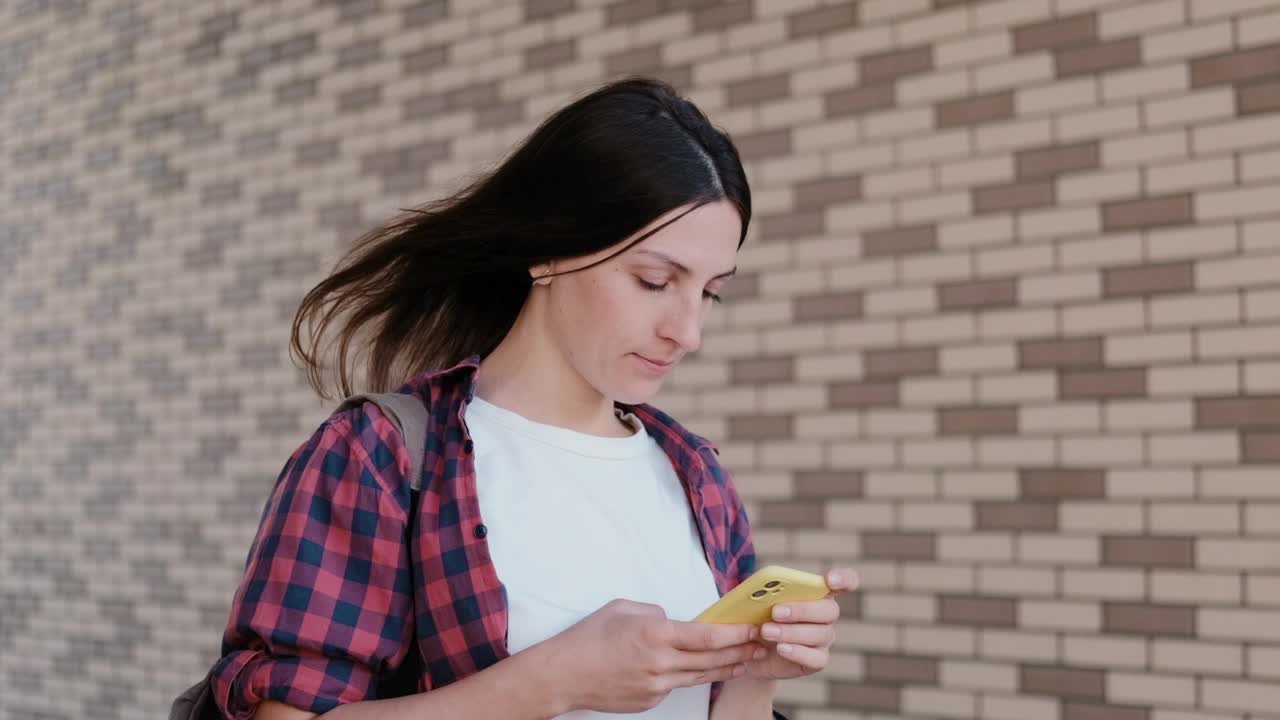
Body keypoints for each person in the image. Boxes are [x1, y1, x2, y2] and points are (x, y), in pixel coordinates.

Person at [207, 76, 857, 720]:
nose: (687, 331)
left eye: (710, 291)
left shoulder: (696, 472)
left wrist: (754, 676)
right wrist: (552, 682)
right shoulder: (382, 456)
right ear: (549, 251)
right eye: (655, 280)